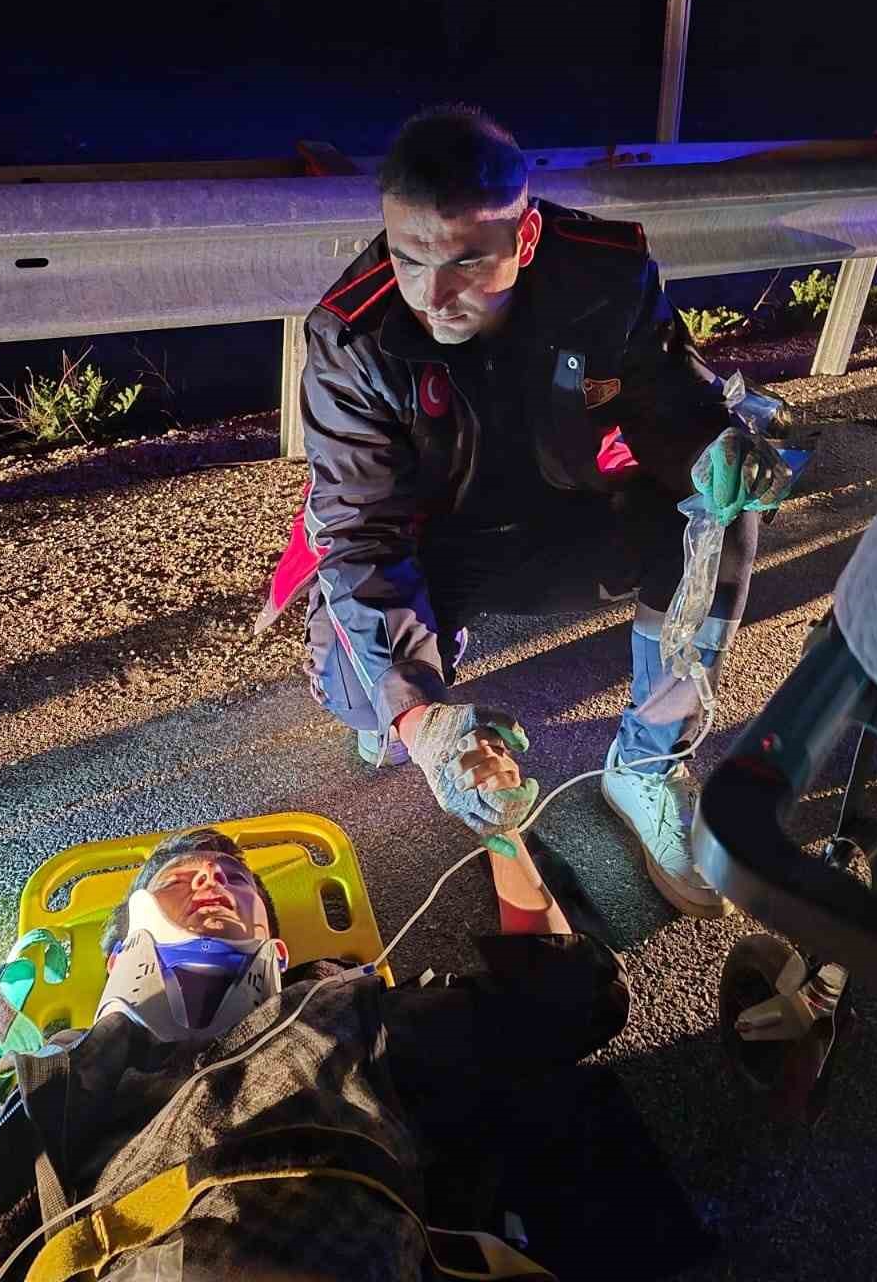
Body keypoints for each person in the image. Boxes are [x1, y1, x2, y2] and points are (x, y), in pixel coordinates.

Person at [262, 104, 781, 917]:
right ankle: (423, 684)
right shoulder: (350, 338)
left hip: (575, 514)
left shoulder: (605, 274)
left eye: (468, 263)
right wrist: (419, 716)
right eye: (409, 258)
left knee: (718, 513)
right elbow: (360, 532)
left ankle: (645, 766)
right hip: (433, 540)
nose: (435, 296)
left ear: (525, 239)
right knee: (369, 691)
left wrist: (718, 450)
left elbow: (670, 404)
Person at [0, 826, 630, 1281]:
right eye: (180, 879)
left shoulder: (348, 1016)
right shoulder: (63, 1079)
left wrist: (498, 824)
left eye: (232, 878)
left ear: (277, 952)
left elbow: (570, 1002)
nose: (213, 880)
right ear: (121, 956)